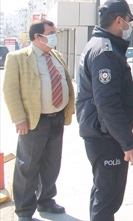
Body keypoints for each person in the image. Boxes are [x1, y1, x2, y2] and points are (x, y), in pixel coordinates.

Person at [2, 19, 75, 221]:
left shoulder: (56, 56)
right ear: (37, 36)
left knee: (52, 164)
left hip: (57, 119)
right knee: (28, 166)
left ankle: (46, 200)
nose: (54, 36)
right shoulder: (17, 58)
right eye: (50, 32)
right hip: (34, 121)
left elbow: (65, 82)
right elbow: (10, 91)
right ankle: (24, 210)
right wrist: (19, 119)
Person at [77, 0, 133, 221]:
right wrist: (127, 142)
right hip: (106, 136)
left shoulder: (99, 45)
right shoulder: (106, 52)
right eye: (128, 21)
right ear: (119, 20)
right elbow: (107, 103)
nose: (129, 26)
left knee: (102, 192)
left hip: (100, 132)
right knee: (108, 196)